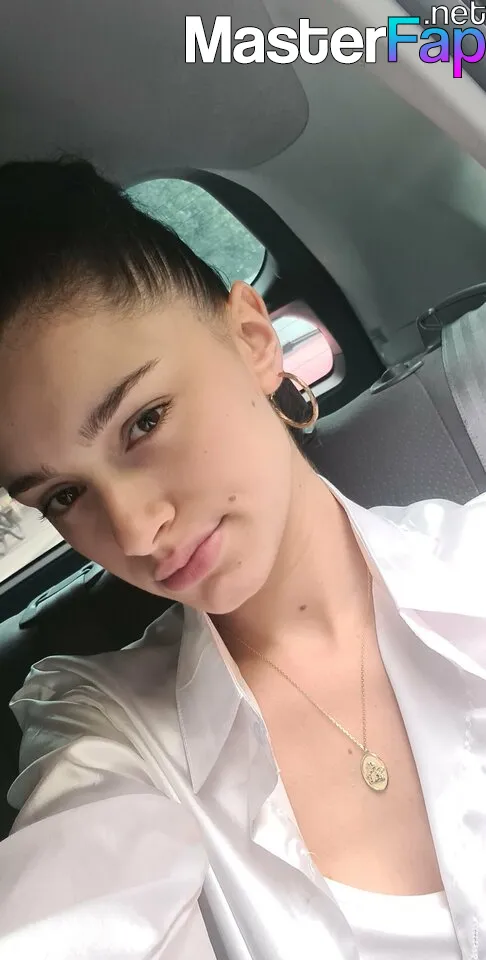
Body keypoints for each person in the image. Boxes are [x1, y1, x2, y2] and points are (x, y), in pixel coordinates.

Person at [0, 157, 484, 960]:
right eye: (62, 496)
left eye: (144, 421)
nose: (135, 532)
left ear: (254, 341)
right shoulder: (111, 736)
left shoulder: (472, 561)